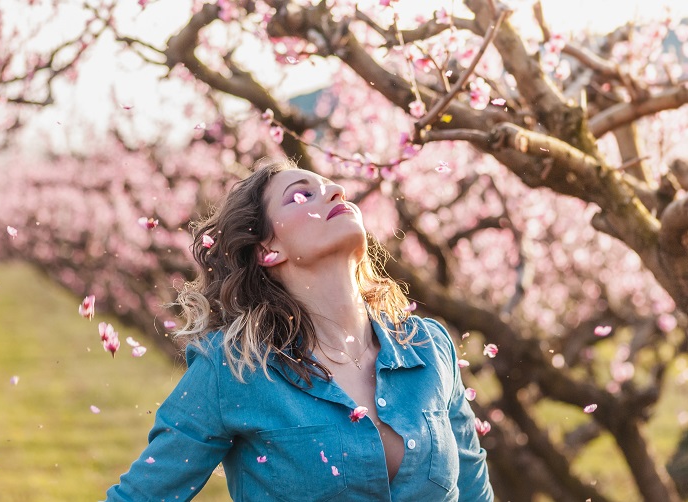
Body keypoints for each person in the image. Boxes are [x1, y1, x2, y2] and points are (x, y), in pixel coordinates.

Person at [104, 159, 493, 501]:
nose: (337, 191)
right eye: (300, 196)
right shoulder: (233, 368)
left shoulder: (428, 347)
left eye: (331, 187)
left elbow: (475, 493)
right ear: (267, 250)